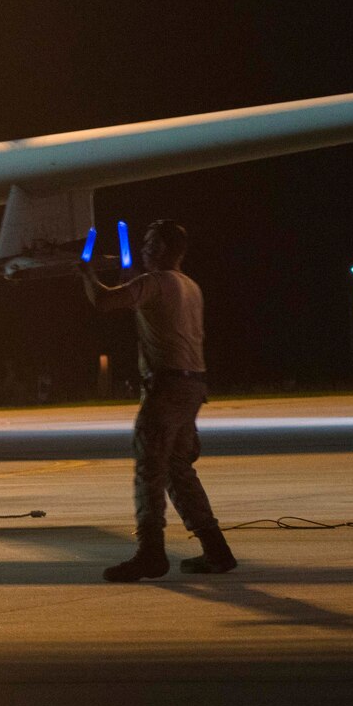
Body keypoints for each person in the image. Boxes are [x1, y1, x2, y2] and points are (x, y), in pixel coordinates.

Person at [81, 220, 238, 582]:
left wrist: (86, 273)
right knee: (178, 470)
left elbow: (105, 299)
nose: (144, 248)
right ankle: (216, 550)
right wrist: (125, 270)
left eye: (151, 243)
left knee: (149, 470)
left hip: (166, 389)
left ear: (166, 249)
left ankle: (150, 553)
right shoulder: (188, 285)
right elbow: (137, 284)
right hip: (192, 387)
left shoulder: (154, 283)